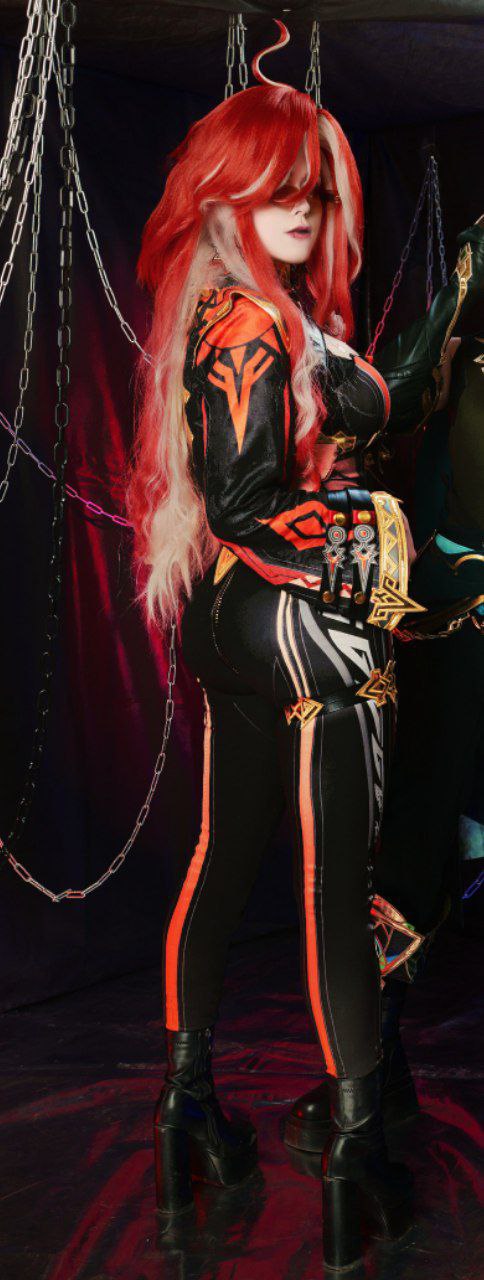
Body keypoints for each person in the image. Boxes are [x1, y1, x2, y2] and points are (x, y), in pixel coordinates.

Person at [125, 37, 422, 1270]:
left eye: (313, 187)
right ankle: (355, 1147)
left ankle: (186, 1108)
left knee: (223, 854)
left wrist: (449, 302)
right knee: (331, 883)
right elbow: (248, 501)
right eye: (274, 187)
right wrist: (367, 534)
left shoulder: (248, 310)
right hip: (291, 625)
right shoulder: (249, 321)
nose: (300, 207)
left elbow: (264, 484)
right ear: (226, 194)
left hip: (233, 624)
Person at [283, 218, 484, 1159]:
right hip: (457, 622)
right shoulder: (465, 339)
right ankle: (374, 1073)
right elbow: (389, 404)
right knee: (415, 841)